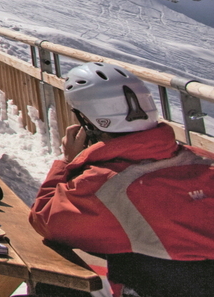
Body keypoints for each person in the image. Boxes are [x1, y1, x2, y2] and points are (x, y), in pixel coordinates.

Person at [29, 62, 214, 297]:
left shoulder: (104, 186)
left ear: (87, 123)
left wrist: (69, 163)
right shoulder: (205, 160)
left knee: (54, 283)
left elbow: (45, 218)